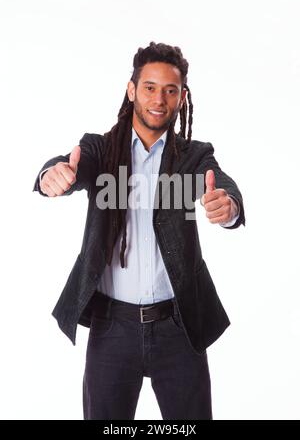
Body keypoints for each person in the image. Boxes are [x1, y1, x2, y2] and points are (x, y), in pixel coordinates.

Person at [33, 41, 245, 420]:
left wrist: (228, 205)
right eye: (149, 87)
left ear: (182, 97)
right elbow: (69, 166)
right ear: (132, 90)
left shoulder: (192, 156)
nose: (159, 99)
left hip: (179, 329)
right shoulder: (99, 151)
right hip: (111, 328)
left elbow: (222, 185)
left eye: (170, 90)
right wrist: (51, 175)